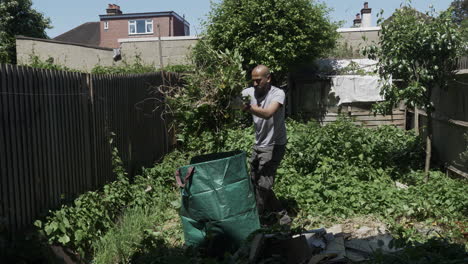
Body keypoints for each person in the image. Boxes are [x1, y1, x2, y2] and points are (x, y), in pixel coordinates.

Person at [238, 65, 291, 225]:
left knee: (263, 185)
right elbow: (232, 97)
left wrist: (246, 107)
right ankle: (282, 216)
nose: (255, 84)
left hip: (274, 145)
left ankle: (257, 220)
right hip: (258, 144)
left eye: (258, 80)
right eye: (253, 81)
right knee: (254, 181)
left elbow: (268, 113)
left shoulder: (278, 94)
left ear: (268, 78)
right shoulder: (249, 93)